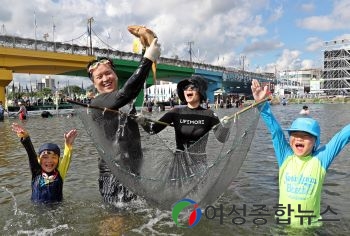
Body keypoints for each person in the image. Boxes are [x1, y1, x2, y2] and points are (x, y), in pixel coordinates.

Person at [251, 79, 350, 227]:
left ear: (315, 142)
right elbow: (275, 131)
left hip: (310, 229)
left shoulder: (320, 159)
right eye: (295, 135)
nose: (299, 138)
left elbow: (341, 137)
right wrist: (262, 105)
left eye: (305, 136)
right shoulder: (285, 156)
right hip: (283, 227)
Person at [87, 38, 160, 204]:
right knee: (115, 222)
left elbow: (151, 130)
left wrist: (143, 122)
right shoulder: (98, 102)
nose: (105, 78)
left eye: (108, 73)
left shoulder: (124, 103)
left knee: (135, 222)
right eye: (99, 77)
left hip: (134, 172)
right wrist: (148, 58)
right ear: (94, 83)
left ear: (115, 74)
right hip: (113, 173)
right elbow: (128, 92)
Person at [136, 75, 230, 156]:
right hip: (178, 164)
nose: (188, 89)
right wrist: (143, 122)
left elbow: (223, 139)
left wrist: (225, 126)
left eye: (193, 87)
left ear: (200, 92)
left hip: (199, 165)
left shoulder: (209, 115)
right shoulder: (175, 112)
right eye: (186, 88)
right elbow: (153, 130)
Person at [11, 123, 78, 203]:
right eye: (45, 157)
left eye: (53, 157)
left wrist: (68, 145)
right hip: (37, 211)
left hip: (57, 211)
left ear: (58, 160)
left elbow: (67, 157)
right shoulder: (36, 172)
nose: (49, 160)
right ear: (39, 159)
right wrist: (26, 137)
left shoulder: (60, 172)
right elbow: (31, 154)